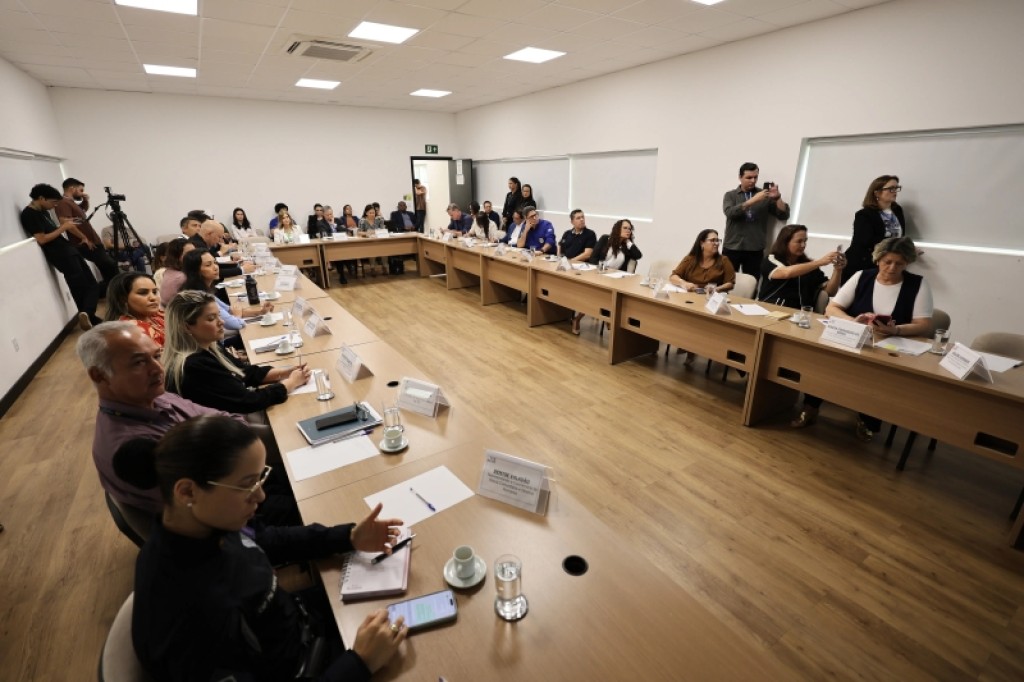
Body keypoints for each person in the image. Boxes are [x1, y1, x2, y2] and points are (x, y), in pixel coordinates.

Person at [119, 415, 407, 681]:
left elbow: (267, 540)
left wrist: (348, 537)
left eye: (260, 478)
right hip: (307, 665)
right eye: (247, 485)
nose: (260, 496)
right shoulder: (191, 617)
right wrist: (360, 663)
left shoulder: (205, 525)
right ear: (187, 492)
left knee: (400, 592)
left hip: (295, 625)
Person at [819, 237, 933, 441]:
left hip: (890, 348)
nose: (892, 268)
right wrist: (853, 322)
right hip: (854, 340)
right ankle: (811, 405)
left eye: (899, 263)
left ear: (907, 263)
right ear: (878, 259)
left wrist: (896, 330)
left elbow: (924, 324)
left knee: (879, 378)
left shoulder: (918, 284)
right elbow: (832, 308)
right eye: (887, 262)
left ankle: (868, 421)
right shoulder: (862, 276)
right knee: (824, 362)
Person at [163, 291, 309, 416]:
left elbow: (244, 371)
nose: (221, 322)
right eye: (211, 319)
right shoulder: (194, 366)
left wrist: (285, 373)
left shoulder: (210, 346)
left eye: (219, 315)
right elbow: (247, 401)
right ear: (187, 327)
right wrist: (291, 383)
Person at [20, 183, 101, 330]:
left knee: (87, 285)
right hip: (61, 255)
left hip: (69, 250)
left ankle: (88, 316)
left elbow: (52, 231)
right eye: (53, 202)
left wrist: (72, 232)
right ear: (41, 198)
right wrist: (63, 228)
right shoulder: (29, 214)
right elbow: (41, 239)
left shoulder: (43, 212)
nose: (55, 206)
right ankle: (88, 314)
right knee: (82, 286)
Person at [181, 248, 270, 348]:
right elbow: (235, 324)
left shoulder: (205, 289)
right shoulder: (200, 296)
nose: (215, 267)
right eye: (208, 265)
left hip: (220, 339)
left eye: (215, 262)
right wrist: (237, 316)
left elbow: (229, 310)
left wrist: (260, 312)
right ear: (195, 271)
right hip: (218, 346)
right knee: (260, 333)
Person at [722, 162, 790, 280]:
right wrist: (753, 200)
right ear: (740, 177)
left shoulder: (765, 195)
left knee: (753, 281)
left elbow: (783, 215)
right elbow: (730, 213)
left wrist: (778, 198)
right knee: (726, 281)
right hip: (732, 246)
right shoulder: (730, 195)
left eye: (755, 177)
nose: (753, 181)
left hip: (755, 248)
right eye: (749, 177)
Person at [757, 224, 844, 310]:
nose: (803, 245)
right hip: (770, 308)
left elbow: (830, 292)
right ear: (785, 242)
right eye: (799, 241)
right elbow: (786, 273)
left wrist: (837, 270)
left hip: (800, 313)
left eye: (805, 241)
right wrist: (820, 262)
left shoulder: (809, 265)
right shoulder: (771, 259)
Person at [55, 178, 119, 292]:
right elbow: (66, 223)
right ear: (72, 188)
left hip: (92, 240)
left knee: (106, 267)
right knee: (110, 265)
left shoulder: (70, 202)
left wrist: (85, 200)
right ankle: (115, 292)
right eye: (81, 190)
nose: (82, 193)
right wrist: (83, 237)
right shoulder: (63, 203)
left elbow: (82, 211)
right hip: (85, 242)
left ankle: (113, 292)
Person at [842, 175, 906, 283]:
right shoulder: (864, 215)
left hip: (885, 262)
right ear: (877, 193)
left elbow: (900, 236)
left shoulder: (897, 210)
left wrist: (906, 247)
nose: (895, 191)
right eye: (891, 188)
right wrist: (896, 246)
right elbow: (866, 241)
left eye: (896, 188)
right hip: (863, 263)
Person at [104, 271, 166, 347]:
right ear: (123, 298)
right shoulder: (131, 331)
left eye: (154, 292)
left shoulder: (156, 315)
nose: (153, 298)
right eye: (143, 293)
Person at [670, 229, 736, 293]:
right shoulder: (690, 259)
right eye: (712, 240)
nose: (716, 243)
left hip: (712, 296)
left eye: (717, 240)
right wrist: (684, 283)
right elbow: (673, 276)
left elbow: (730, 283)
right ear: (702, 243)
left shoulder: (724, 260)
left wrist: (716, 289)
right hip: (690, 295)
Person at [158, 238, 195, 306]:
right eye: (190, 253)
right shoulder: (181, 277)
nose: (196, 256)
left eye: (195, 252)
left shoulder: (168, 271)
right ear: (176, 256)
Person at [358, 205, 387, 276]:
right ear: (366, 213)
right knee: (372, 249)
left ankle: (385, 267)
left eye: (373, 213)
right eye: (370, 213)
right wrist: (367, 233)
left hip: (379, 240)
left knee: (384, 249)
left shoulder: (379, 219)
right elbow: (359, 232)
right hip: (368, 242)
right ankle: (372, 268)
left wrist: (374, 232)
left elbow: (383, 230)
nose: (372, 214)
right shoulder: (362, 220)